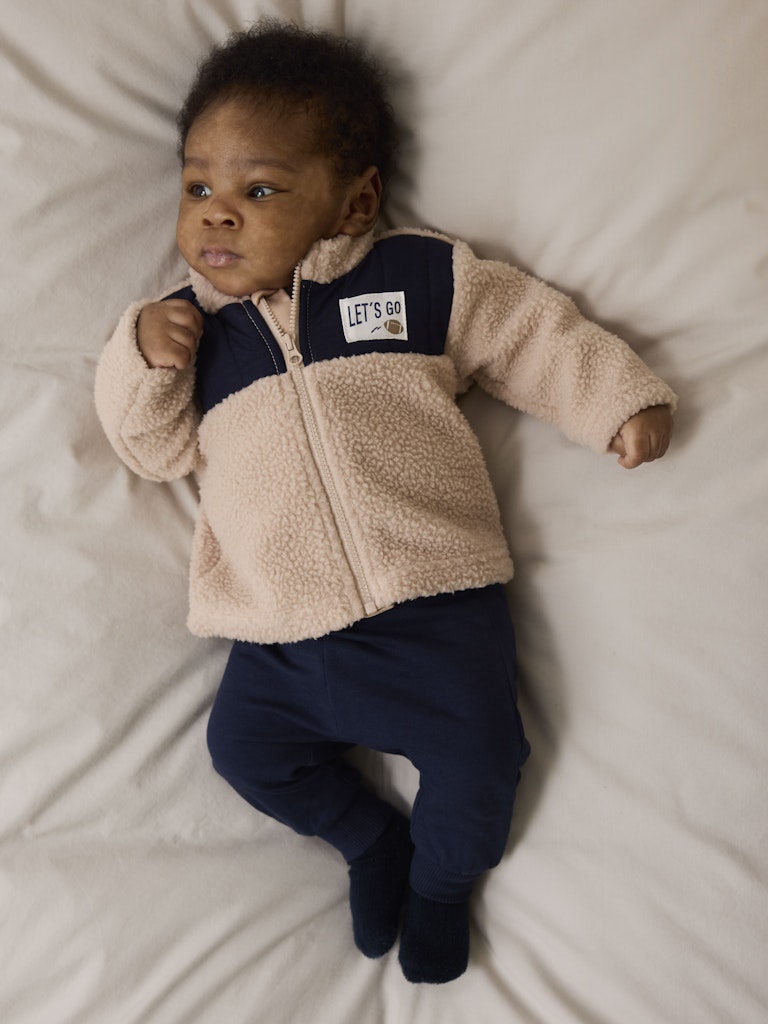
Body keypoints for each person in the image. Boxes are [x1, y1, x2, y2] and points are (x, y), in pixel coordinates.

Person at [94, 20, 676, 984]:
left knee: (483, 766)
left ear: (355, 200)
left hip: (434, 611)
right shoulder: (193, 332)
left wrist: (616, 397)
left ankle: (442, 887)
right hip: (281, 634)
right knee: (243, 753)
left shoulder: (416, 277)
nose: (218, 216)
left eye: (259, 190)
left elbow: (528, 332)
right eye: (198, 188)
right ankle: (371, 841)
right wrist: (142, 357)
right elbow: (150, 450)